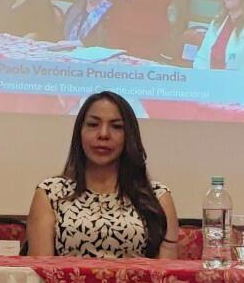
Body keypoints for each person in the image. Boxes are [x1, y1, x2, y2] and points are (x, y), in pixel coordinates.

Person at [26, 90, 177, 259]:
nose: (103, 134)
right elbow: (40, 273)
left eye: (116, 126)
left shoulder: (158, 197)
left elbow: (167, 278)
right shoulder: (50, 193)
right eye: (93, 125)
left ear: (129, 136)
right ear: (79, 133)